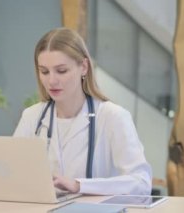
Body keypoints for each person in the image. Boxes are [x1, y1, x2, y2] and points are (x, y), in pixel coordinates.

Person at [13, 28, 152, 195]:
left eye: (61, 71)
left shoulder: (112, 117)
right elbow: (12, 174)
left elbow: (141, 183)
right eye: (44, 71)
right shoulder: (32, 117)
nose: (52, 80)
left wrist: (80, 186)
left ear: (84, 67)